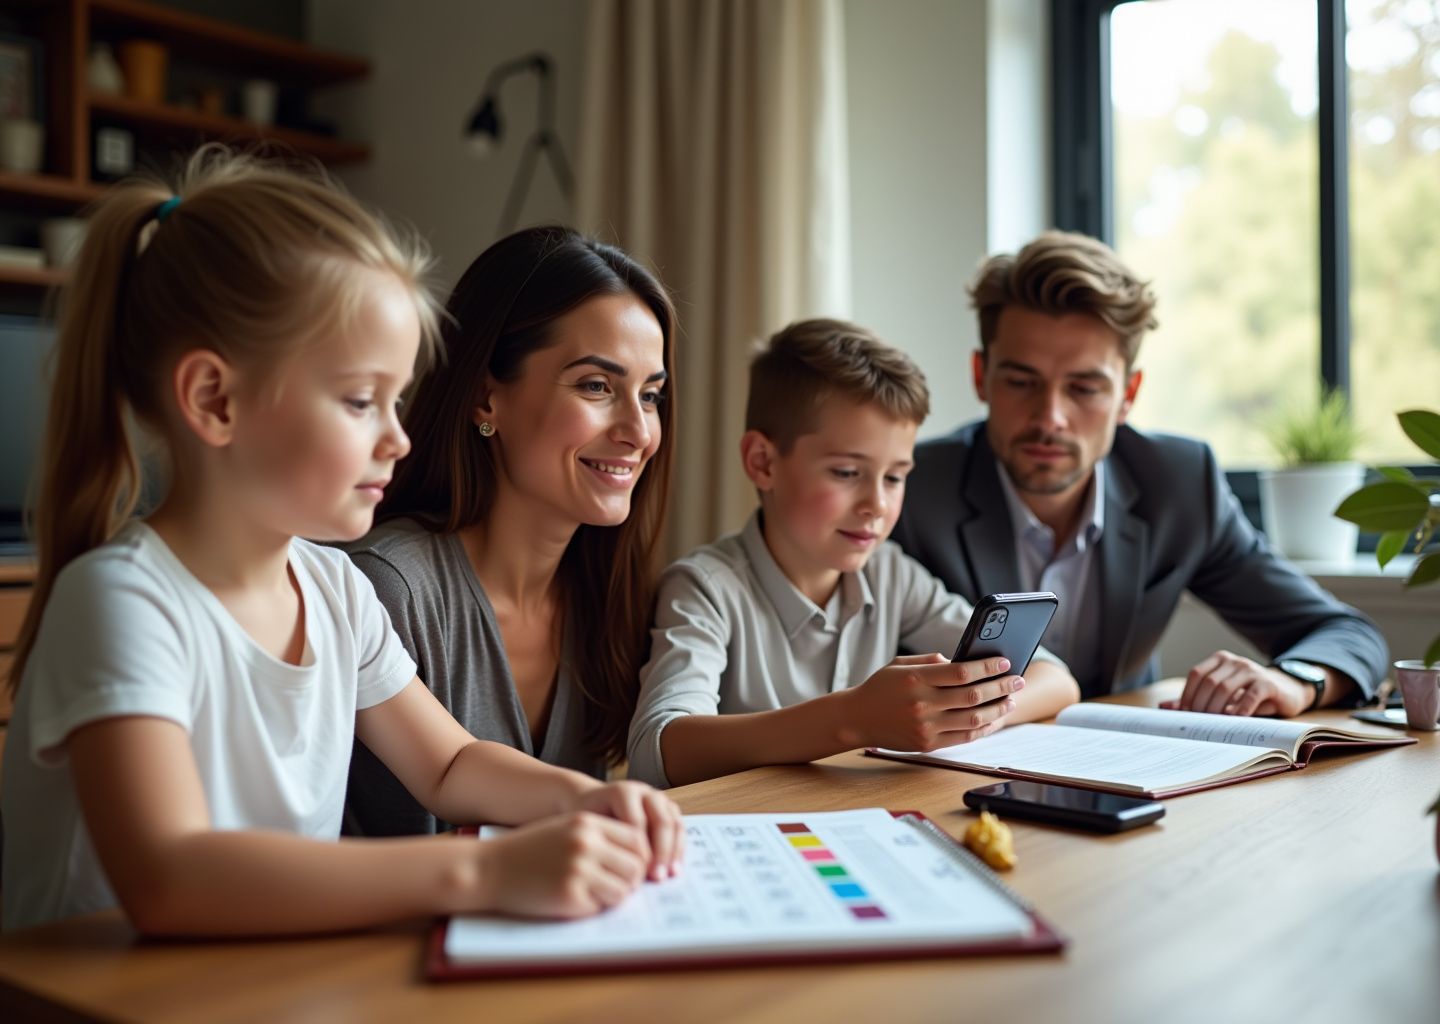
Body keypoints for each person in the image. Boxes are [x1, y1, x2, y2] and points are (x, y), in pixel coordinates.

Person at [0, 150, 680, 936]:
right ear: (214, 400)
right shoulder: (122, 601)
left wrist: (587, 798)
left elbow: (452, 765)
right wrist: (485, 870)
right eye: (361, 400)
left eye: (396, 400)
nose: (397, 438)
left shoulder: (334, 591)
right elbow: (168, 877)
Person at [891, 230, 1388, 716]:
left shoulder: (1178, 484)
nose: (1050, 418)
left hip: (1130, 771)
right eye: (1022, 382)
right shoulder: (907, 487)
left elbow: (1348, 634)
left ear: (1129, 394)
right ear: (981, 376)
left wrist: (1294, 681)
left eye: (1084, 388)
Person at [627, 319, 1080, 789]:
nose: (877, 506)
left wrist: (967, 715)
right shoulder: (706, 587)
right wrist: (850, 720)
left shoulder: (890, 574)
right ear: (762, 462)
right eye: (846, 472)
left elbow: (1057, 680)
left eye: (894, 477)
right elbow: (655, 751)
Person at [342, 225, 678, 837]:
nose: (639, 431)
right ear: (485, 398)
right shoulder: (385, 590)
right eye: (597, 386)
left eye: (651, 395)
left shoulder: (608, 595)